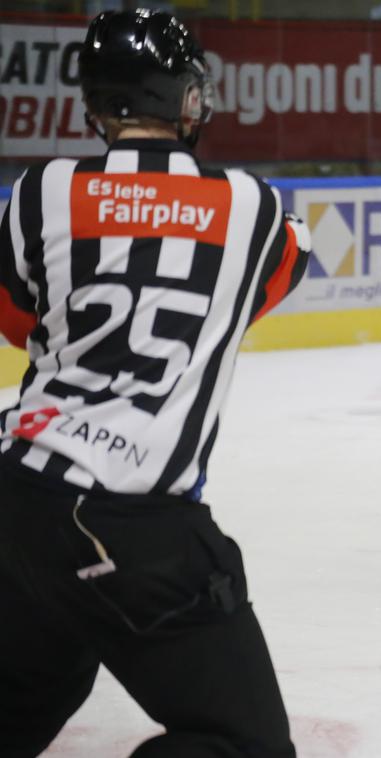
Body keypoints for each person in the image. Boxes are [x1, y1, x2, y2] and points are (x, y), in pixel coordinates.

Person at [0, 10, 309, 757]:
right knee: (245, 747)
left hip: (18, 502)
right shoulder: (255, 208)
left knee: (38, 689)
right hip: (138, 535)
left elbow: (16, 323)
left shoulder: (39, 192)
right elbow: (271, 285)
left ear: (98, 105)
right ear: (184, 99)